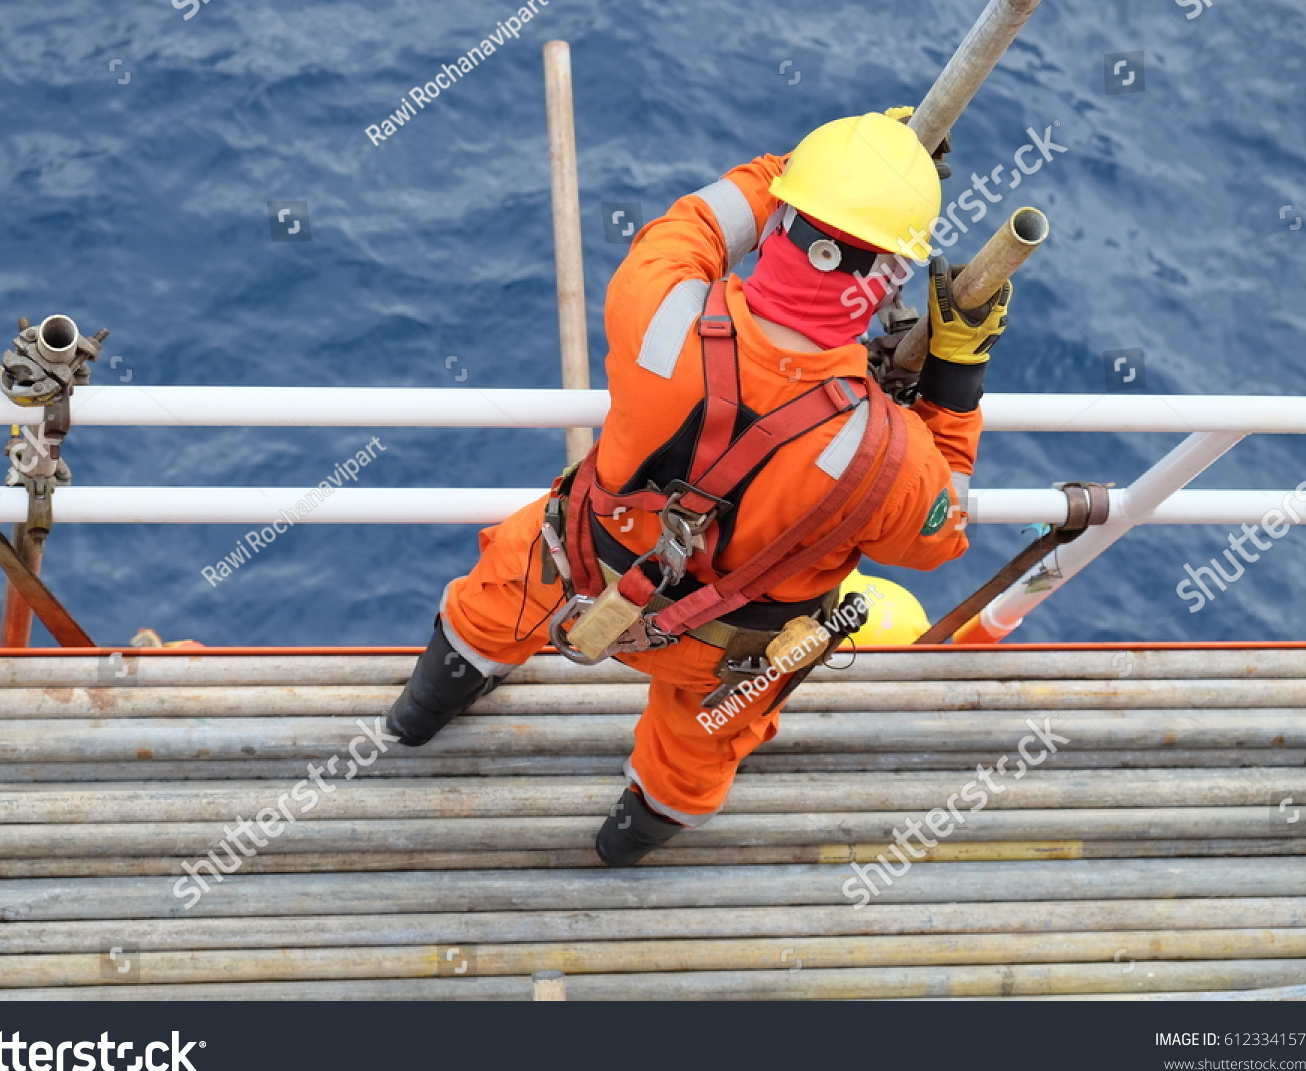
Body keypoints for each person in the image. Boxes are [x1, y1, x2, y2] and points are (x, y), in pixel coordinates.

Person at [385, 110, 1010, 866]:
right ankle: (625, 847)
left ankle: (420, 716)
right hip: (720, 658)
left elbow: (699, 221)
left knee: (497, 596)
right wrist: (956, 373)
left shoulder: (659, 301)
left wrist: (816, 162)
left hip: (572, 572)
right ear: (888, 281)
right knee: (701, 748)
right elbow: (942, 534)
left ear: (783, 221)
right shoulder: (888, 453)